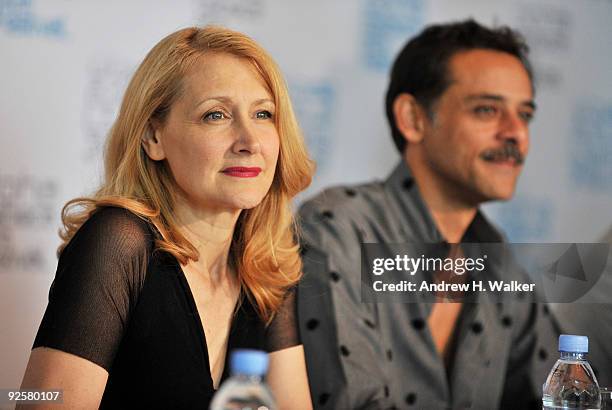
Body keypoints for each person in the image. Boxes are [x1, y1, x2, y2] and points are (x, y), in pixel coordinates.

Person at [20, 26, 314, 409]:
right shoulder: (117, 242)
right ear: (153, 137)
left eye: (263, 114)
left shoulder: (267, 261)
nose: (250, 141)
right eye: (216, 115)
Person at [298, 19, 554, 409]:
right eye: (487, 110)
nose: (516, 133)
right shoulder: (339, 227)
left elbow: (560, 393)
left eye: (525, 115)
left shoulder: (497, 259)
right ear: (413, 119)